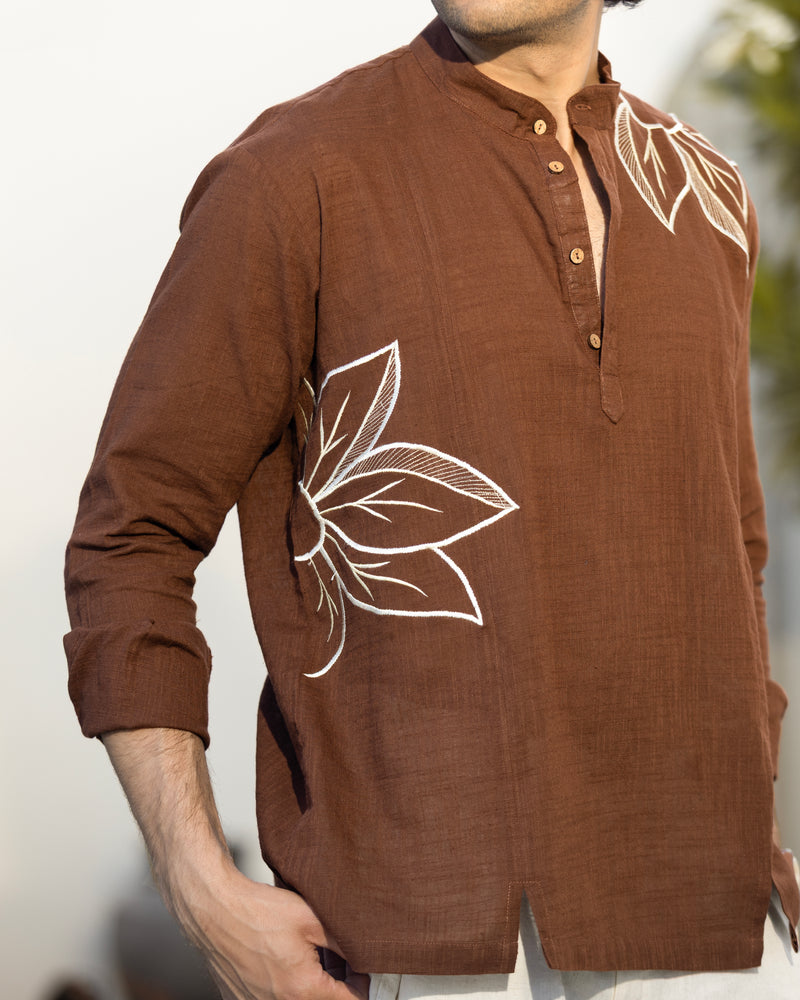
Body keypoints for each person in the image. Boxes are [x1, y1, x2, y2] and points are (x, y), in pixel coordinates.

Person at [64, 2, 800, 998]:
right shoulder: (295, 172)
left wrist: (751, 824)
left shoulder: (706, 189)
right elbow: (131, 537)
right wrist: (199, 888)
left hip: (718, 934)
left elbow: (727, 545)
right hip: (431, 937)